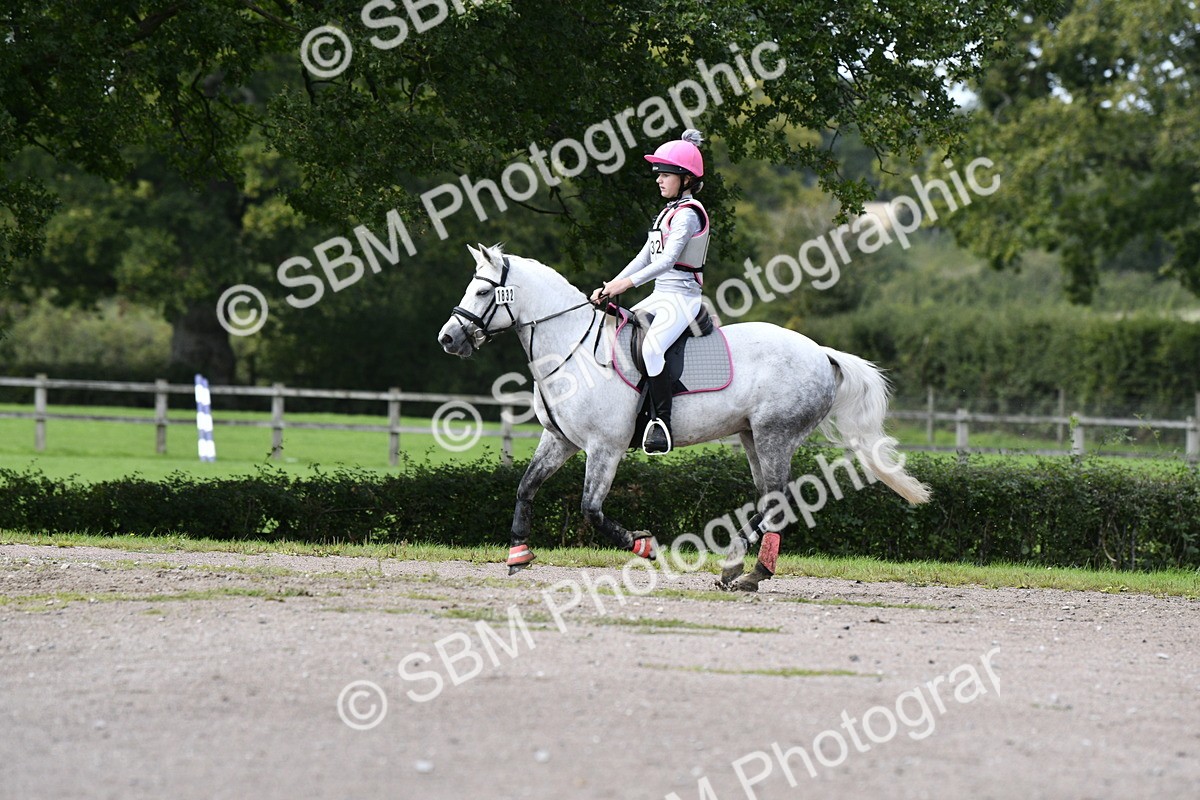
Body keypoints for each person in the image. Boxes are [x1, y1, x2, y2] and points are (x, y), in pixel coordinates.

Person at [590, 128, 710, 455]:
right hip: (660, 293)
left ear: (685, 179)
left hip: (682, 297)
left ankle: (661, 424)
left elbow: (669, 259)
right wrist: (609, 286)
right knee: (620, 335)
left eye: (665, 174)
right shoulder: (666, 213)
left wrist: (625, 285)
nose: (658, 179)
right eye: (657, 174)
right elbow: (644, 256)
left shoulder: (688, 214)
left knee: (653, 349)